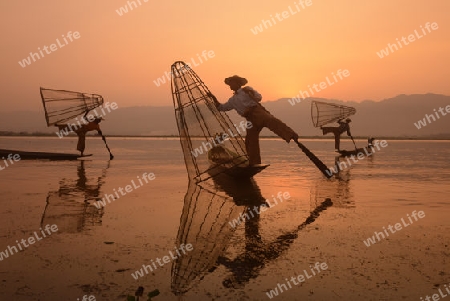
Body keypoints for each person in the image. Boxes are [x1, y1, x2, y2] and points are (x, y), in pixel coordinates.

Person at [210, 75, 299, 166]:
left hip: (257, 112)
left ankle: (291, 135)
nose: (230, 85)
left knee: (272, 121)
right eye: (229, 84)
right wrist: (213, 98)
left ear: (237, 83)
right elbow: (222, 107)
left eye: (231, 83)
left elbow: (259, 97)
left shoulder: (246, 90)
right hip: (250, 118)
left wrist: (251, 93)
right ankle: (254, 163)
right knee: (250, 141)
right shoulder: (232, 100)